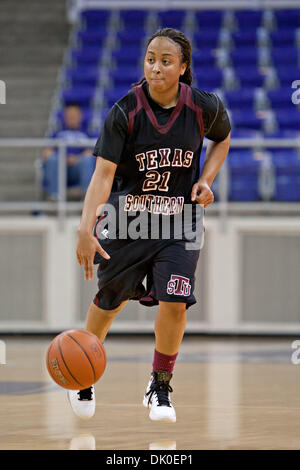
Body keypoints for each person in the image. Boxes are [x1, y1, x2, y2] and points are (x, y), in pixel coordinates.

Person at [68, 28, 231, 422]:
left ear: (183, 67)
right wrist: (85, 228)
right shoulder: (125, 111)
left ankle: (159, 383)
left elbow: (222, 139)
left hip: (180, 221)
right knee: (109, 303)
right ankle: (83, 374)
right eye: (150, 59)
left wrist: (206, 180)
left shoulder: (203, 107)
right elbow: (102, 176)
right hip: (129, 220)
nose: (156, 67)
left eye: (165, 61)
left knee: (175, 303)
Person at [42, 103, 95, 199]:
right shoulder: (57, 133)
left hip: (78, 166)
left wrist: (76, 159)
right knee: (53, 158)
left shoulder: (87, 133)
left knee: (87, 160)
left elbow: (92, 152)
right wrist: (62, 158)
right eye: (69, 116)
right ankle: (55, 197)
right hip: (60, 166)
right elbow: (46, 152)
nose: (71, 118)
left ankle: (87, 198)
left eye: (74, 116)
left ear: (80, 117)